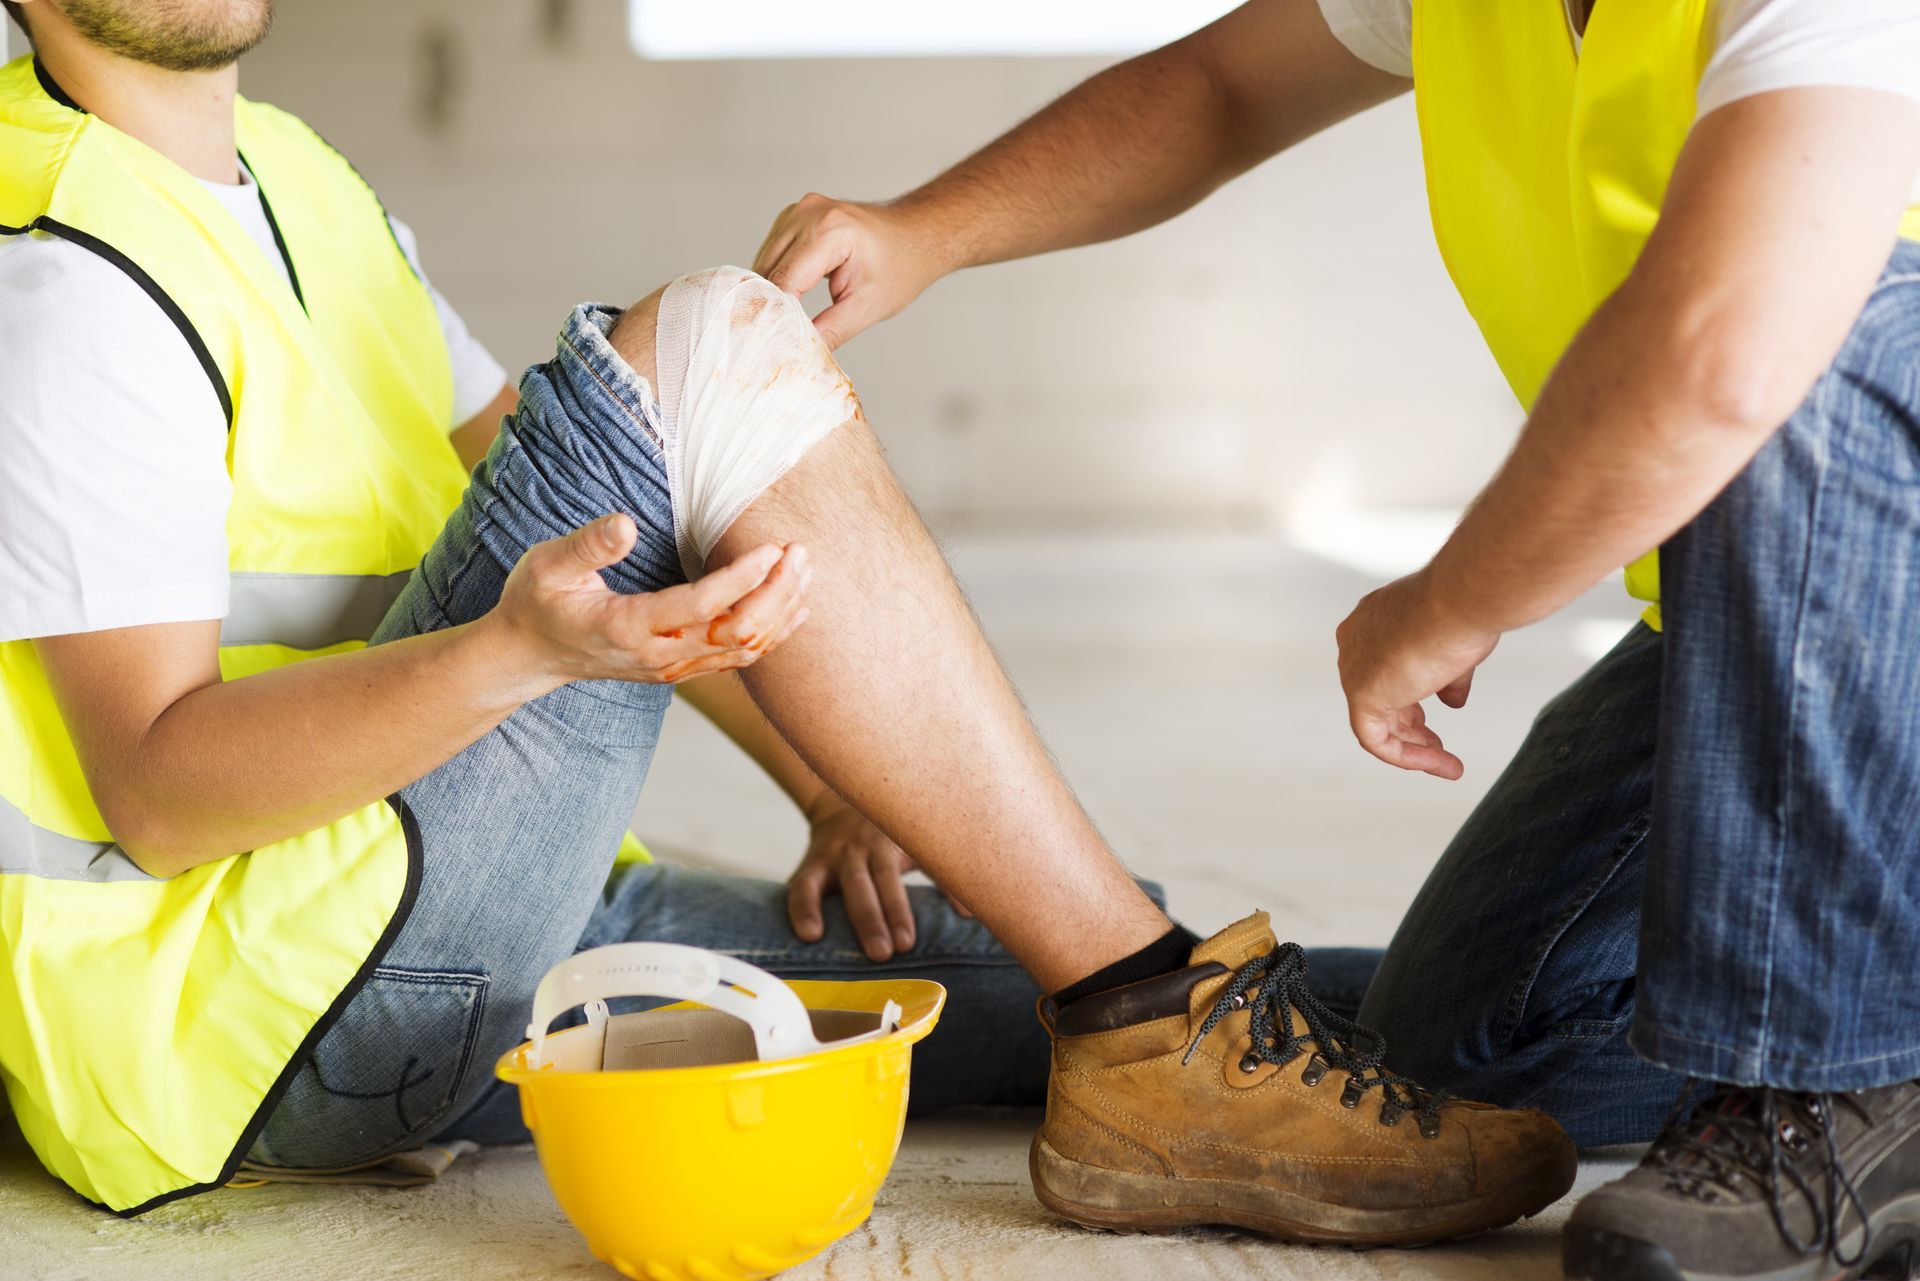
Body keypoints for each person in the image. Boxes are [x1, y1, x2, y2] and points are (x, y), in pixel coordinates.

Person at [0, 0, 1574, 1246]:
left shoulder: (297, 183)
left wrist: (832, 787)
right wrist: (511, 657)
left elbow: (589, 493)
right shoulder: (64, 267)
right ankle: (1153, 1010)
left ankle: (1736, 1083)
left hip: (455, 924)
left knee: (1288, 1005)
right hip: (264, 1021)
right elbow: (156, 785)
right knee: (706, 337)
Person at [756, 0, 1920, 1276]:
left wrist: (1456, 595)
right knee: (1460, 1054)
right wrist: (924, 232)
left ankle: (1826, 1083)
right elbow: (1220, 88)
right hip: (1761, 614)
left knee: (1820, 308)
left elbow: (1730, 356)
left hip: (1881, 583)